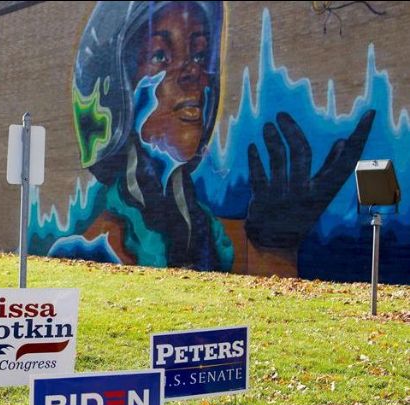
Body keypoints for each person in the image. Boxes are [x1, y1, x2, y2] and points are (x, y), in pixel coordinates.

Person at [70, 1, 374, 275]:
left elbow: (270, 317)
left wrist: (276, 247)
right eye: (160, 55)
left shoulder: (216, 237)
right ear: (114, 91)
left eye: (200, 55)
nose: (194, 73)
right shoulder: (98, 248)